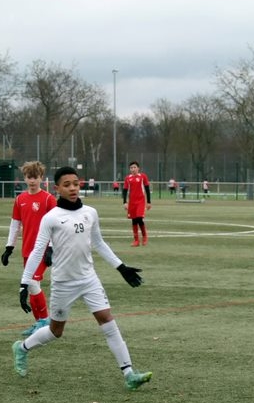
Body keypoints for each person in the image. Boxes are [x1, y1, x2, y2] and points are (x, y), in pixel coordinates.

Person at [11, 166, 152, 391]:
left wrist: (121, 267)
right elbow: (37, 251)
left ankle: (129, 374)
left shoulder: (90, 213)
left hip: (88, 279)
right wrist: (24, 283)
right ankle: (22, 348)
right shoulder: (51, 218)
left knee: (107, 319)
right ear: (57, 188)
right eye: (67, 185)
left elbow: (99, 243)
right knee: (56, 331)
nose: (73, 188)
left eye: (76, 184)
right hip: (63, 283)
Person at [2, 161, 56, 336]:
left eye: (35, 177)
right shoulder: (20, 199)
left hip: (42, 250)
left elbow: (56, 225)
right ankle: (40, 323)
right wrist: (9, 247)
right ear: (24, 178)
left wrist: (51, 247)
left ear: (41, 178)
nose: (32, 180)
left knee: (31, 283)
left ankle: (45, 321)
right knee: (33, 285)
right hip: (27, 250)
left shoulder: (48, 199)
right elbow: (15, 224)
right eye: (29, 177)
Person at [122, 161, 152, 246]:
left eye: (134, 167)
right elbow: (125, 190)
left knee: (139, 218)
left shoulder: (143, 176)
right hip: (132, 202)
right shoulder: (128, 178)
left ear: (138, 168)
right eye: (131, 168)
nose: (133, 169)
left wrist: (149, 202)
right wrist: (125, 202)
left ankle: (144, 237)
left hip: (141, 201)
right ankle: (136, 240)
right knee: (134, 220)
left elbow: (147, 189)